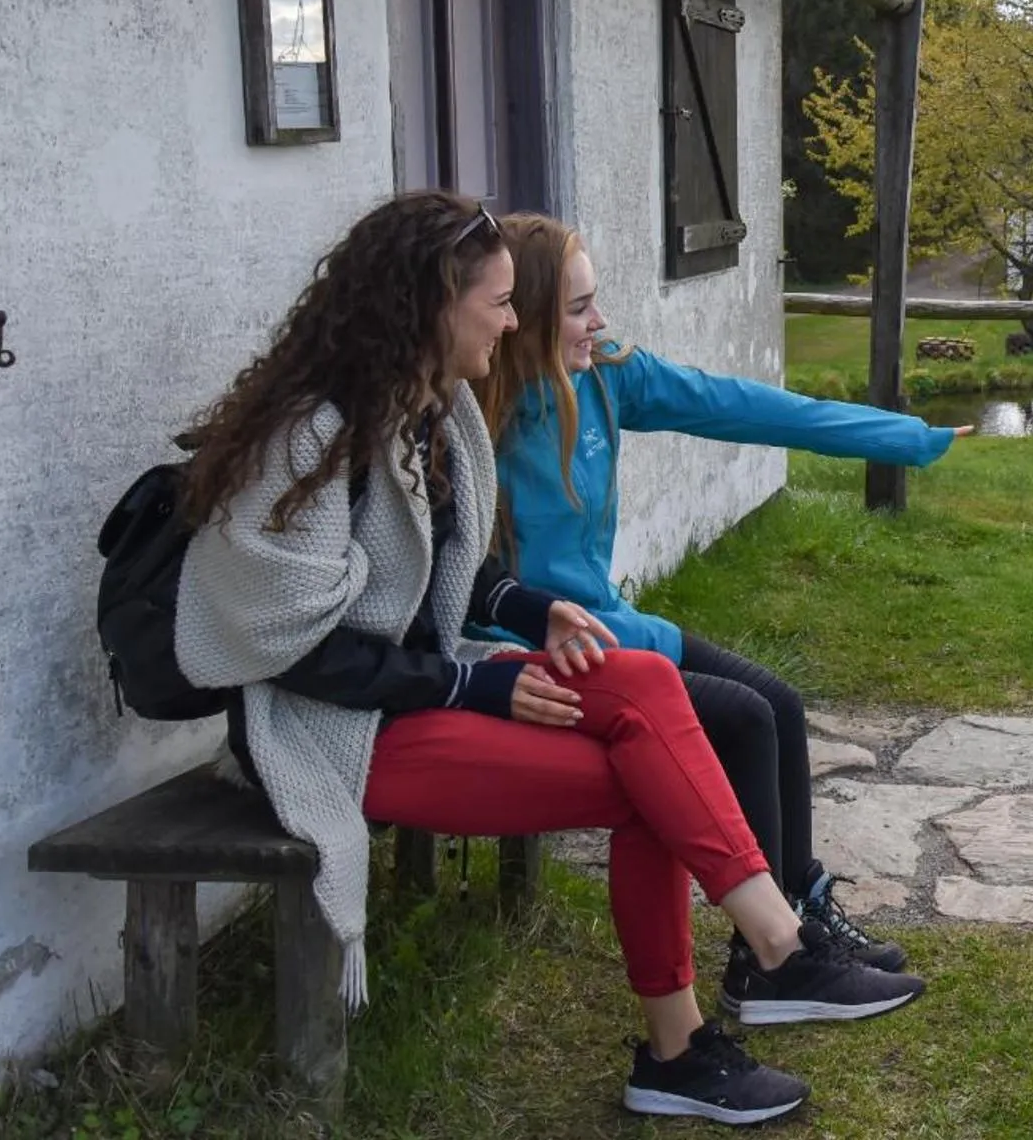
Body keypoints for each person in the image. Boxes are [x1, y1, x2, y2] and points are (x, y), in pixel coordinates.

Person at [172, 190, 920, 1126]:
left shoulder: (430, 413)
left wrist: (534, 609)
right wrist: (472, 684)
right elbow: (297, 654)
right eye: (498, 303)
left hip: (418, 695)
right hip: (336, 732)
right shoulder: (311, 442)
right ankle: (722, 1005)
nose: (510, 321)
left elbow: (454, 574)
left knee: (647, 687)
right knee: (652, 777)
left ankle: (755, 964)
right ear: (430, 306)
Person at [471, 213, 962, 1004]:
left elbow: (738, 406)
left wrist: (899, 437)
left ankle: (798, 917)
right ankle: (767, 963)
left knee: (779, 702)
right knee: (743, 718)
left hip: (608, 625)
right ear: (519, 319)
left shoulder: (606, 376)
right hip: (531, 646)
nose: (599, 322)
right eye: (578, 308)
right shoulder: (476, 415)